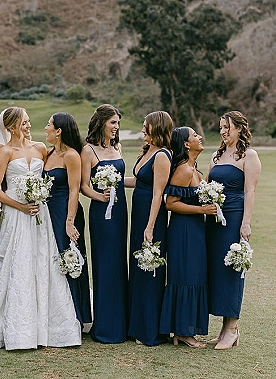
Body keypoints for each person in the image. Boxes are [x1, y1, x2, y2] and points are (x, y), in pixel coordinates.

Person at [0, 106, 81, 350]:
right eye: (25, 122)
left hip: (40, 215)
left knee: (43, 263)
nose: (29, 126)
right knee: (16, 263)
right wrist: (20, 205)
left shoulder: (41, 149)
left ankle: (47, 327)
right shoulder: (5, 152)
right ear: (10, 127)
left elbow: (58, 169)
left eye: (29, 121)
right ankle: (17, 328)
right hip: (16, 215)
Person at [206, 111, 261, 350]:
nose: (223, 131)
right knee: (216, 271)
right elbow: (206, 184)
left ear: (239, 128)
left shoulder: (249, 155)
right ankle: (222, 328)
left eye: (227, 127)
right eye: (220, 127)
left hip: (235, 218)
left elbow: (250, 191)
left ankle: (232, 328)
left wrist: (245, 223)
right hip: (214, 222)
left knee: (231, 271)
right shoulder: (216, 156)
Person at [159, 127, 217, 348]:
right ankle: (183, 331)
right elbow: (171, 203)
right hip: (183, 231)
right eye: (195, 136)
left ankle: (183, 329)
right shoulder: (183, 170)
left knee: (194, 276)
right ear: (185, 144)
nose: (199, 137)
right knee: (186, 277)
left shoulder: (195, 170)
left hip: (195, 230)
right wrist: (202, 210)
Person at [80, 104, 128, 343]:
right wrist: (100, 196)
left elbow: (123, 179)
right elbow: (83, 185)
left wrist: (148, 182)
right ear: (101, 123)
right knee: (105, 263)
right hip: (101, 214)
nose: (116, 128)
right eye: (113, 123)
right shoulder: (88, 151)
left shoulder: (117, 147)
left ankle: (121, 323)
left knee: (119, 262)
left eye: (118, 123)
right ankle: (105, 326)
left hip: (120, 211)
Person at [126, 110, 172, 346]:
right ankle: (136, 325)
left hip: (151, 217)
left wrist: (151, 226)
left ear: (157, 127)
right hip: (139, 215)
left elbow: (158, 193)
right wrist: (112, 180)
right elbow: (138, 181)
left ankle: (150, 330)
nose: (143, 129)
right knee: (138, 268)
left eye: (146, 126)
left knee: (150, 270)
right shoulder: (148, 151)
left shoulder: (163, 155)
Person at [44, 112, 92, 326]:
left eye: (49, 125)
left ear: (58, 130)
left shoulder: (72, 155)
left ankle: (76, 316)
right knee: (52, 259)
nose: (46, 128)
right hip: (48, 213)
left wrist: (69, 221)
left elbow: (75, 190)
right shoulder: (48, 153)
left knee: (69, 258)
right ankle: (56, 312)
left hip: (66, 211)